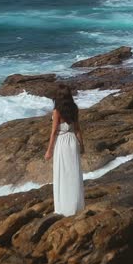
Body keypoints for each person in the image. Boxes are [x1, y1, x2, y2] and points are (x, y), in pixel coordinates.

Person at [44, 84, 85, 216]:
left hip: (62, 143)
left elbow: (54, 132)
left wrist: (49, 150)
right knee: (74, 174)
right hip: (72, 141)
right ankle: (76, 205)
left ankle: (64, 207)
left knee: (62, 174)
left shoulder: (57, 111)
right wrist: (82, 145)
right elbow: (77, 129)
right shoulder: (74, 108)